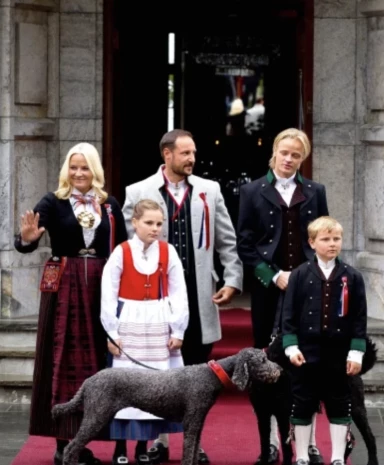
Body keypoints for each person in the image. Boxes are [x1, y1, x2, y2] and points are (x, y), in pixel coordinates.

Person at [122, 129, 243, 464]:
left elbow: (227, 240)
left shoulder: (210, 190)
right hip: (156, 299)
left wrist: (232, 279)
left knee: (196, 376)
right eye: (185, 153)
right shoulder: (138, 191)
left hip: (199, 294)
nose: (192, 159)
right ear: (167, 154)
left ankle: (194, 444)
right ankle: (160, 441)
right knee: (160, 373)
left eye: (194, 153)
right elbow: (129, 247)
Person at [14, 142, 127, 465]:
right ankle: (64, 442)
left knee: (97, 363)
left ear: (95, 171)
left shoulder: (109, 205)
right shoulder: (53, 201)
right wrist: (27, 239)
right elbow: (25, 240)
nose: (79, 173)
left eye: (85, 167)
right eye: (73, 167)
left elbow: (120, 249)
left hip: (102, 289)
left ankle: (88, 437)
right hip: (65, 286)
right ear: (67, 170)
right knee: (63, 360)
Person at [237, 128, 329, 464]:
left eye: (296, 155)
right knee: (271, 365)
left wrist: (308, 277)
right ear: (274, 152)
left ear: (302, 159)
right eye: (284, 153)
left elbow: (324, 237)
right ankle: (276, 440)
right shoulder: (251, 191)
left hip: (308, 290)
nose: (289, 160)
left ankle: (311, 440)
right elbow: (244, 244)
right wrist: (273, 276)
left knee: (310, 363)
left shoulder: (314, 191)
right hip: (268, 289)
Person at [101, 199, 189, 465]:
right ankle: (119, 448)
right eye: (149, 223)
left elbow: (178, 291)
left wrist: (179, 328)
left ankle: (143, 444)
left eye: (159, 224)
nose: (155, 228)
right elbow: (108, 293)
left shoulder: (168, 251)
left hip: (158, 322)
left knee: (153, 387)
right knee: (125, 386)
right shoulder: (121, 252)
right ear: (135, 222)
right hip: (130, 321)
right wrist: (111, 332)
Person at [282, 216, 368, 465]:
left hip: (338, 354)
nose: (332, 244)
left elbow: (359, 318)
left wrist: (356, 352)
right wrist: (291, 346)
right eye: (326, 239)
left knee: (339, 402)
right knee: (303, 403)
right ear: (311, 242)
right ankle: (301, 456)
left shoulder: (352, 277)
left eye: (336, 239)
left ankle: (338, 457)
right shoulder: (299, 275)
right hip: (306, 353)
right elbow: (288, 315)